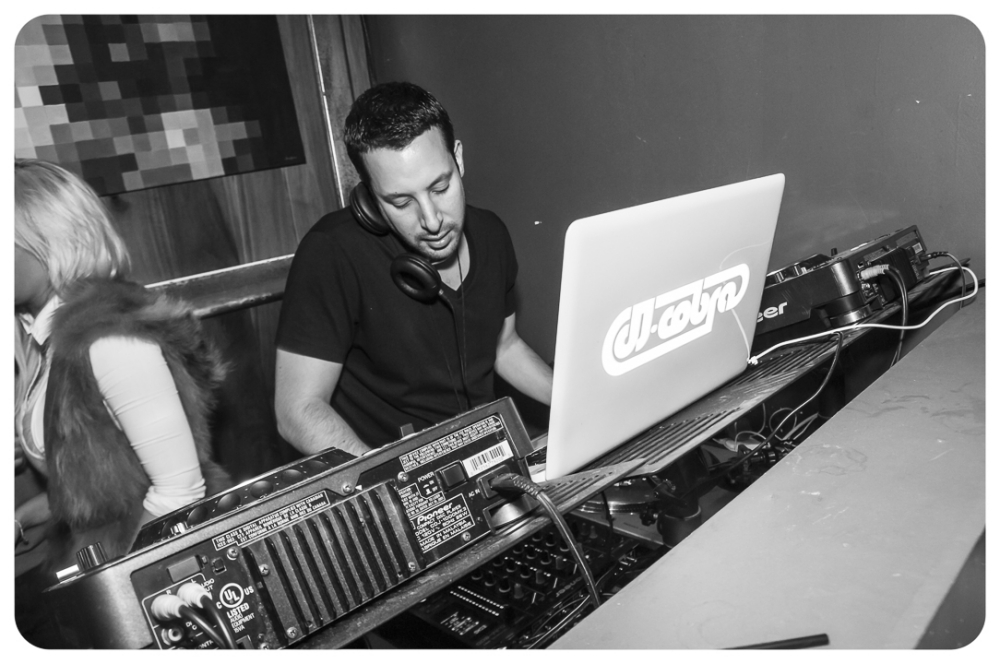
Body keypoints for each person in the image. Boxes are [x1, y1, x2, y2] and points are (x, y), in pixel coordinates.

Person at [14, 158, 231, 645]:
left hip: (152, 589)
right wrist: (20, 518)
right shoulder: (52, 341)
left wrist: (111, 598)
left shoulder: (111, 340)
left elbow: (178, 495)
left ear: (48, 240)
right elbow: (95, 483)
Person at [275, 82, 552, 456]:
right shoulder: (332, 253)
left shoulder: (491, 233)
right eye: (402, 202)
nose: (432, 220)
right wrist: (390, 482)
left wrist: (579, 402)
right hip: (393, 472)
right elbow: (297, 411)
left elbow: (504, 347)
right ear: (371, 198)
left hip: (490, 455)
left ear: (458, 158)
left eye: (440, 187)